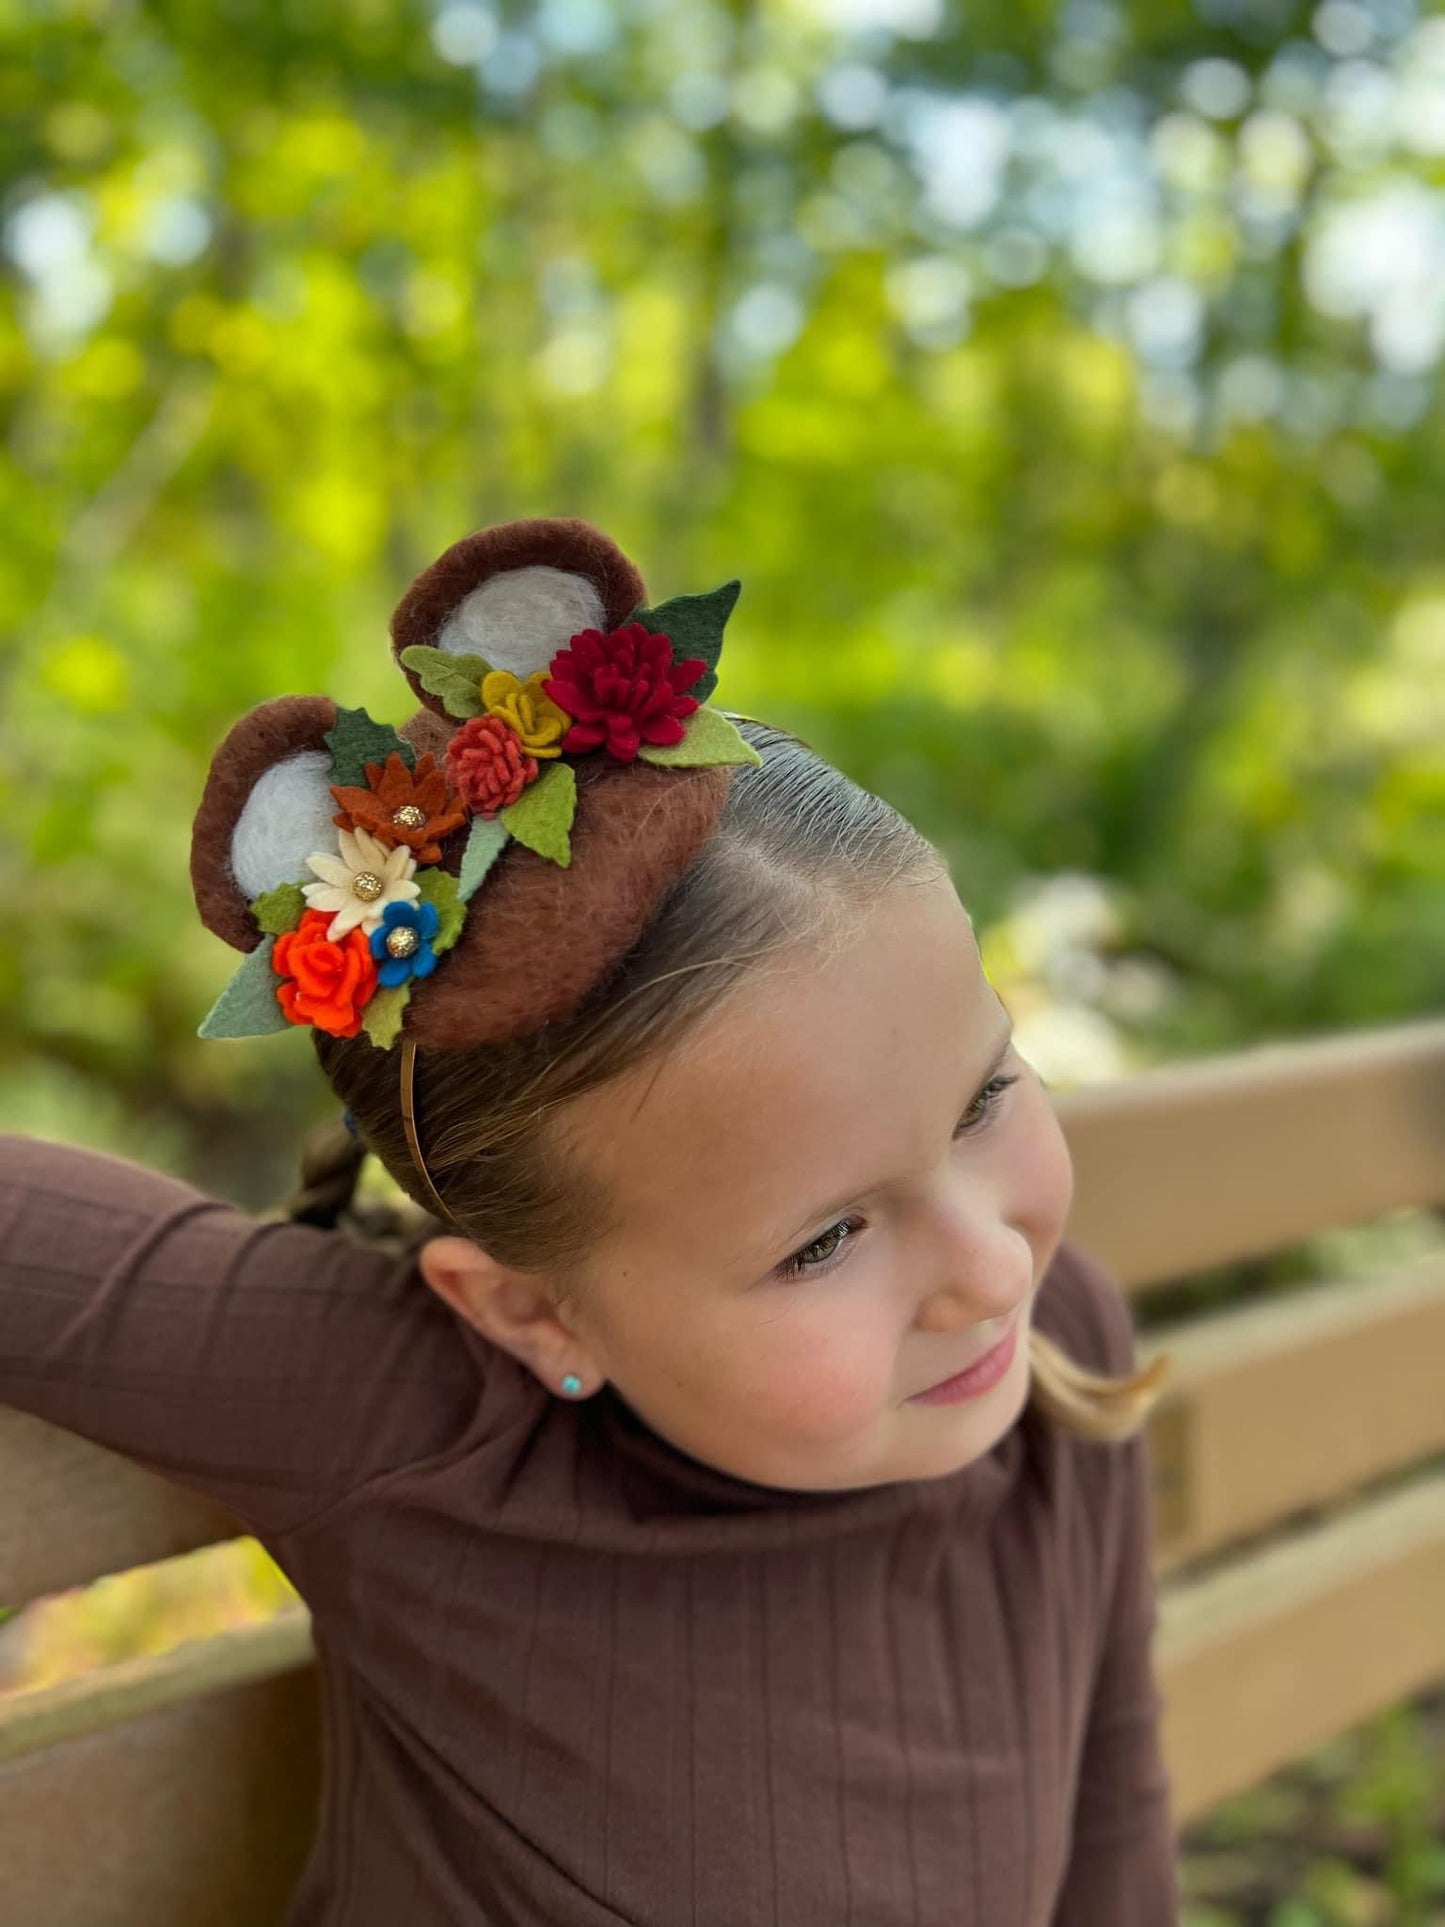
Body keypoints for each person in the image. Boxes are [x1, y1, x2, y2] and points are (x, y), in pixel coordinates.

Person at [0, 515, 1180, 1924]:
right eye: (824, 1241)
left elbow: (1115, 1852)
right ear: (531, 1310)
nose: (991, 1269)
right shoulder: (428, 1438)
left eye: (986, 1094)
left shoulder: (1057, 1370)